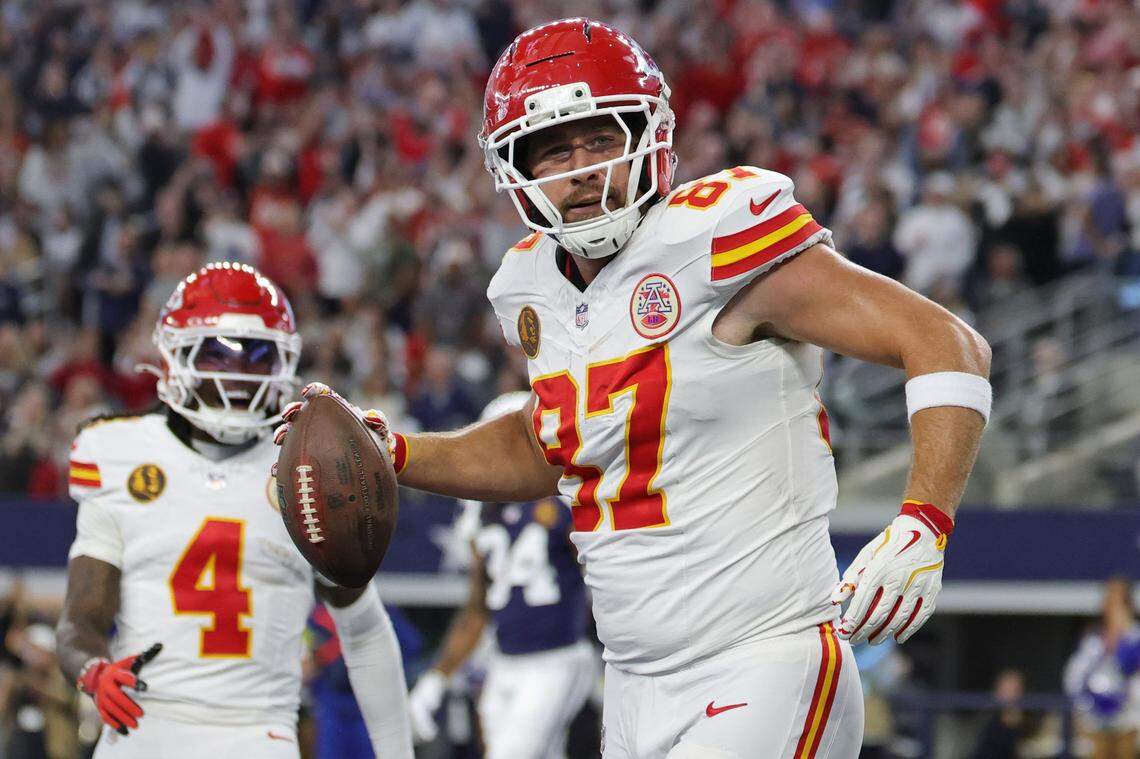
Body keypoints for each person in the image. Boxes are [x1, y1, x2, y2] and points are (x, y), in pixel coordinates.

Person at [277, 19, 991, 759]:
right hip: (631, 684)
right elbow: (546, 439)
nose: (581, 167)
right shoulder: (527, 287)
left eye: (601, 139)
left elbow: (945, 341)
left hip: (766, 656)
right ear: (514, 169)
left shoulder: (714, 236)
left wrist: (924, 522)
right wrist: (394, 449)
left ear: (649, 138)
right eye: (554, 148)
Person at [55, 263, 413, 758]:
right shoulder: (116, 450)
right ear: (175, 354)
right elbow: (81, 619)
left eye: (260, 354)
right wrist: (94, 670)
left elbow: (364, 630)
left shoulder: (305, 468)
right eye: (218, 354)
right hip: (143, 723)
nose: (239, 373)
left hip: (257, 730)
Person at [407, 391, 597, 758]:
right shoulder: (483, 516)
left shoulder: (563, 505)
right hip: (504, 663)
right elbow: (478, 608)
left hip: (557, 658)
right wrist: (437, 676)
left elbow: (602, 577)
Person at [1065, 577, 1140, 759]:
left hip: (1130, 724)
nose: (1114, 609)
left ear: (1128, 605)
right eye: (1110, 602)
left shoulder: (1135, 638)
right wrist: (1085, 708)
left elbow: (1130, 670)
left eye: (1118, 602)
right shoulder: (1094, 640)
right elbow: (1074, 678)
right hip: (1096, 723)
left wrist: (1122, 643)